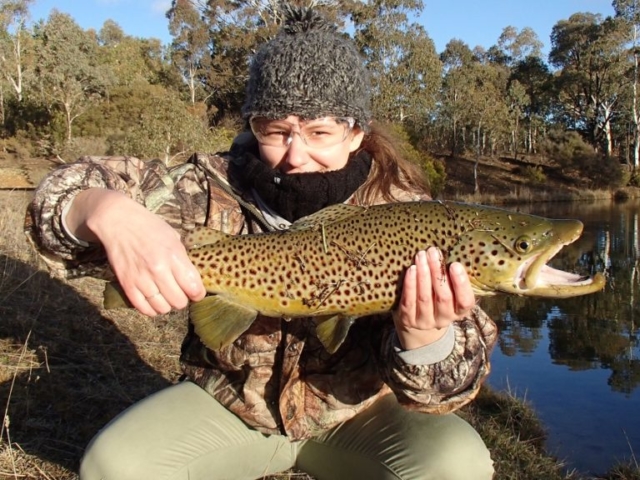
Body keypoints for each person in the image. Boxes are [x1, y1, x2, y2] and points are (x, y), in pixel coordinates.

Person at [25, 6, 497, 480]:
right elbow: (59, 196)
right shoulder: (204, 184)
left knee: (458, 464)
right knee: (111, 466)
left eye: (319, 133)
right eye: (275, 132)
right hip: (230, 409)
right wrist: (100, 209)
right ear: (252, 126)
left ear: (356, 134)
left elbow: (446, 390)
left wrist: (425, 340)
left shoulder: (410, 213)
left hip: (358, 417)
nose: (295, 155)